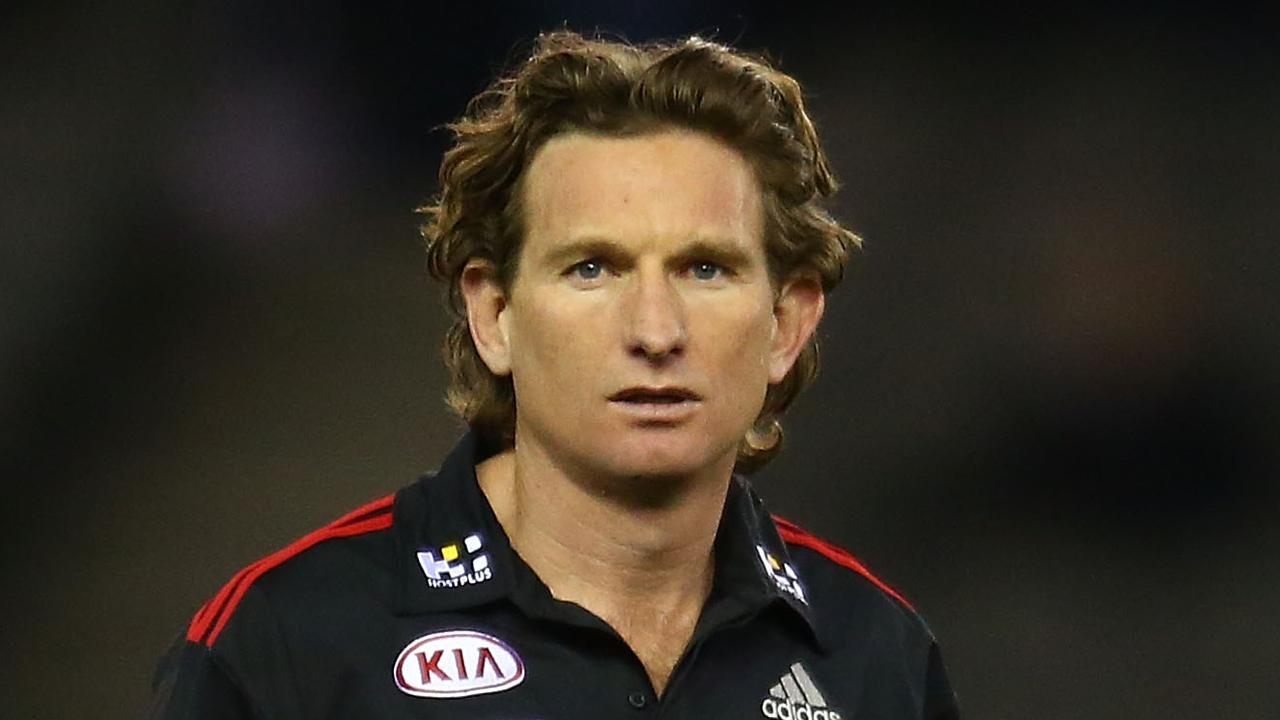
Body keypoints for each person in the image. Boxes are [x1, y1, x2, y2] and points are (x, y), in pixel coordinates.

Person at [148, 30, 960, 719]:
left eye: (705, 269)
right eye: (592, 269)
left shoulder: (876, 653)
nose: (654, 331)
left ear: (788, 322)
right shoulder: (285, 645)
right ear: (493, 315)